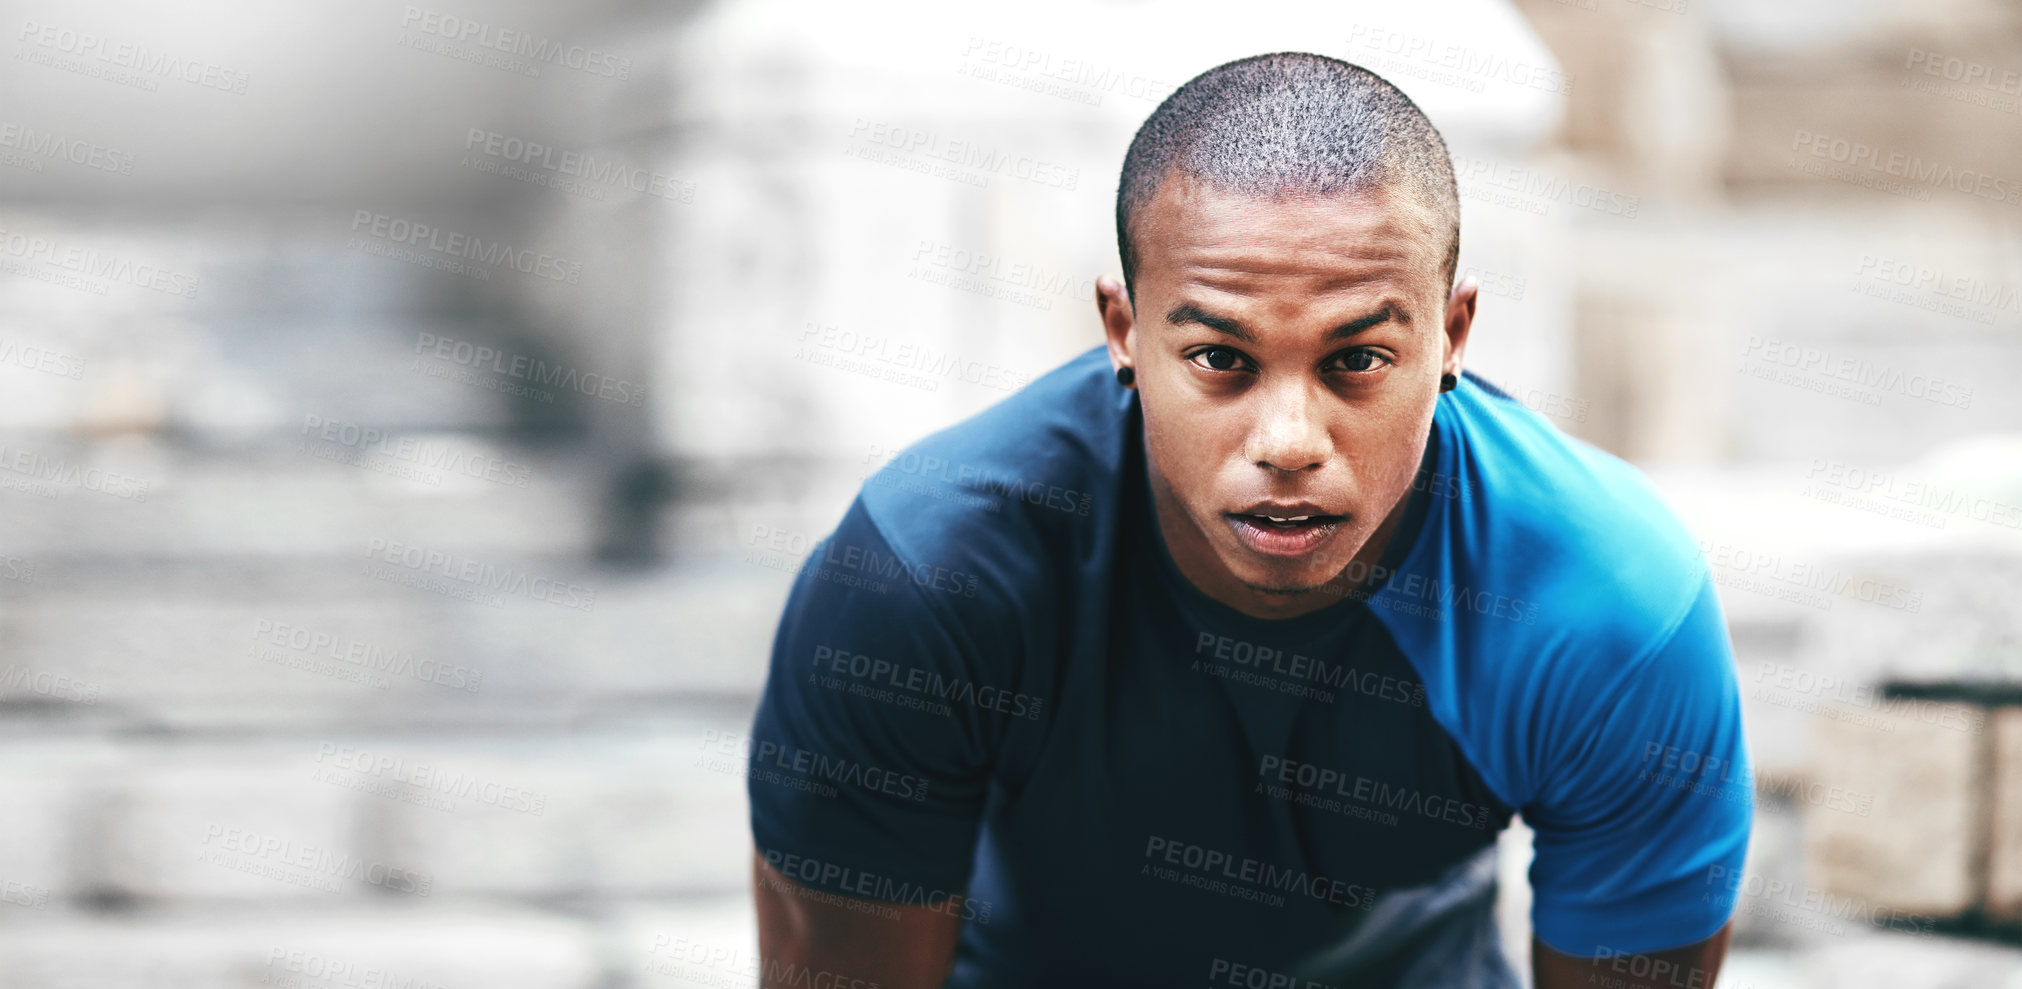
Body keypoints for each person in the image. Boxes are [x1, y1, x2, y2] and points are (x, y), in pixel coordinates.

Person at [744, 51, 1750, 989]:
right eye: (1221, 358)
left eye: (1356, 358)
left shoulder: (1607, 607)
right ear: (1123, 331)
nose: (1287, 440)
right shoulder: (922, 581)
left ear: (1452, 335)